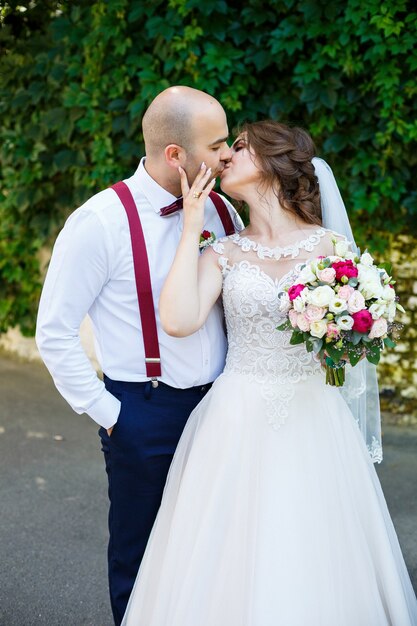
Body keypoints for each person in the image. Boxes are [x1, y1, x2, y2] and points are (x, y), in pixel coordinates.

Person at [121, 120, 417, 625]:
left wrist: (349, 331)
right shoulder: (224, 251)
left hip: (313, 418)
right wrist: (192, 224)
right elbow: (177, 319)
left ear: (276, 163)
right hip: (235, 417)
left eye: (241, 147)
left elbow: (352, 340)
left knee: (314, 547)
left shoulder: (330, 249)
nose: (227, 156)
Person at [35, 86, 243, 625]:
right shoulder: (99, 222)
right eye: (217, 144)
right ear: (175, 154)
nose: (228, 154)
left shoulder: (222, 210)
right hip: (143, 412)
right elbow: (54, 332)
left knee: (216, 552)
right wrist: (112, 417)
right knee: (141, 556)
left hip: (225, 406)